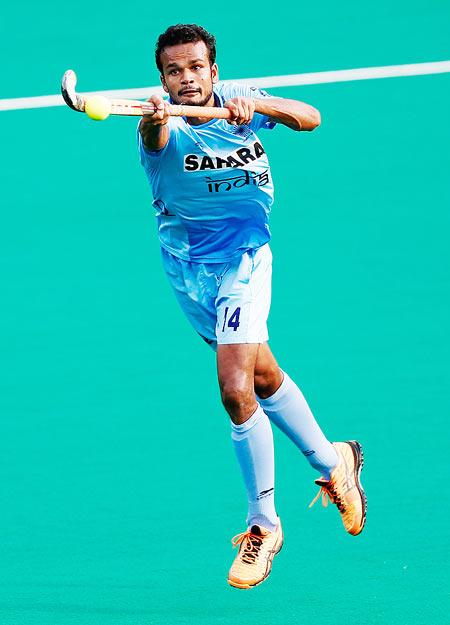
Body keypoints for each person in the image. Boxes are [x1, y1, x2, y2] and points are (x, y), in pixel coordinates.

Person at [138, 23, 366, 589]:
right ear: (162, 77)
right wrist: (155, 121)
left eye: (196, 68)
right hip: (188, 270)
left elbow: (310, 117)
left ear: (213, 70)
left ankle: (263, 526)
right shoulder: (158, 123)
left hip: (245, 260)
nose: (186, 80)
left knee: (235, 388)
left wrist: (256, 105)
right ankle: (334, 463)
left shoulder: (243, 102)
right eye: (173, 71)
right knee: (262, 374)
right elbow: (152, 138)